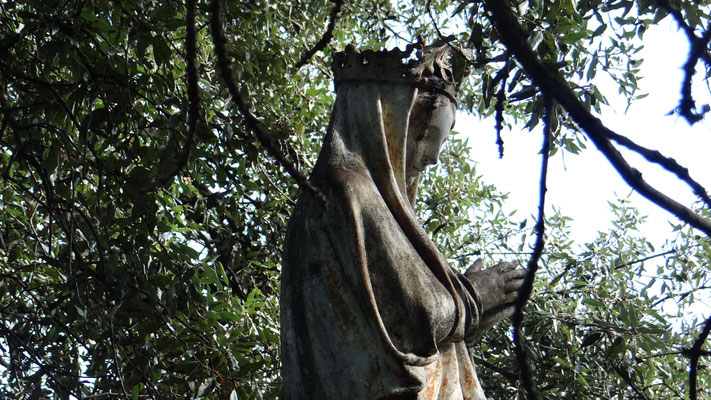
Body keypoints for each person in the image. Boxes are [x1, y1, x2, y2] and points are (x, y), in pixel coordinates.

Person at [281, 43, 526, 399]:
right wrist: (474, 296)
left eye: (440, 142)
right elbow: (414, 316)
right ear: (382, 124)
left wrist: (479, 308)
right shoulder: (346, 190)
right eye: (425, 137)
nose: (433, 158)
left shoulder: (360, 197)